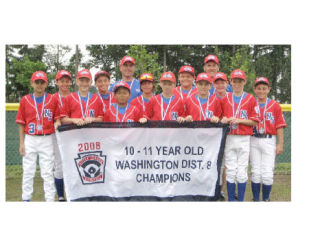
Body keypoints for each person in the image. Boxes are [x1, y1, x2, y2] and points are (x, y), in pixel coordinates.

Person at [16, 71, 60, 202]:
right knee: (28, 171)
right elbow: (21, 123)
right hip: (30, 138)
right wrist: (21, 143)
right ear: (32, 83)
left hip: (47, 138)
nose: (39, 85)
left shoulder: (52, 99)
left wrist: (57, 123)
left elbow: (57, 117)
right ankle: (26, 199)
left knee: (47, 172)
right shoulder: (25, 100)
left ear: (46, 84)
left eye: (42, 82)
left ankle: (49, 199)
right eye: (37, 82)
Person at [220, 69, 259, 201]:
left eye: (240, 81)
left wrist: (240, 120)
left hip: (244, 137)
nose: (237, 84)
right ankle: (231, 200)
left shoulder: (250, 99)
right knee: (230, 170)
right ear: (231, 82)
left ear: (244, 82)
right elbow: (220, 118)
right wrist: (224, 120)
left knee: (242, 171)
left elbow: (254, 121)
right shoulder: (225, 98)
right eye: (235, 81)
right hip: (229, 137)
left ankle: (240, 200)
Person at [250, 77, 287, 201]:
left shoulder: (274, 105)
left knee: (267, 172)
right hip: (253, 139)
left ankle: (266, 199)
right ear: (254, 89)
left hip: (269, 139)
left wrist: (280, 144)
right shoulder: (251, 103)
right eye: (259, 88)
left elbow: (280, 126)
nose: (261, 91)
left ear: (269, 89)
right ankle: (256, 199)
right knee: (255, 171)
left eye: (264, 88)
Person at [52, 70, 72, 201]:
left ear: (70, 82)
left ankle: (73, 192)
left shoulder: (74, 96)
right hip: (57, 134)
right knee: (59, 164)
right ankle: (60, 195)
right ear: (57, 82)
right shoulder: (52, 98)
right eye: (61, 80)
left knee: (73, 163)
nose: (64, 83)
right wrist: (57, 120)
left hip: (72, 134)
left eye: (67, 80)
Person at [212, 72, 229, 201]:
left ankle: (220, 190)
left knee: (224, 165)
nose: (220, 85)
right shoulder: (210, 98)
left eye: (222, 82)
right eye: (217, 82)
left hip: (229, 134)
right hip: (212, 136)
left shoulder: (232, 98)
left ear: (226, 84)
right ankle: (212, 189)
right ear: (213, 84)